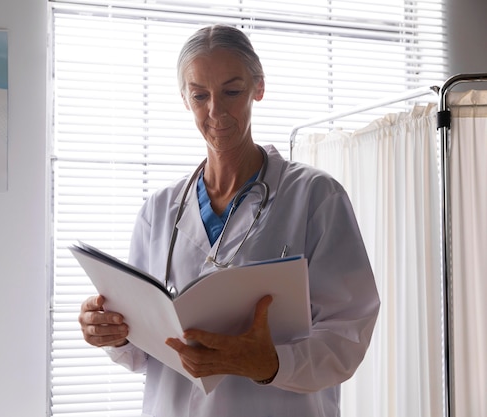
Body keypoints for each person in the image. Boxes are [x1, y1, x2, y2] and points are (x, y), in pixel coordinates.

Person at [79, 24, 380, 417]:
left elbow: (348, 335)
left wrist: (270, 364)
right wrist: (112, 334)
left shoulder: (316, 197)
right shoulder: (158, 210)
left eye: (232, 91)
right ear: (185, 99)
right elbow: (141, 351)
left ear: (259, 87)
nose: (216, 111)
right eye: (200, 95)